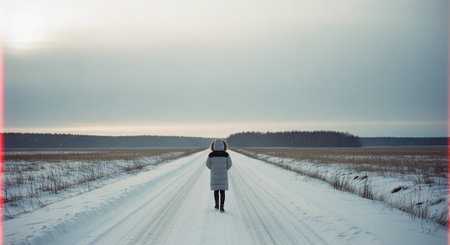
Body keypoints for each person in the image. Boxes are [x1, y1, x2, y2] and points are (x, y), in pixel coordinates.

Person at [206, 139, 232, 212]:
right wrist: (225, 169)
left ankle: (216, 204)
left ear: (213, 145)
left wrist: (213, 168)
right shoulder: (226, 154)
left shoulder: (211, 155)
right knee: (222, 191)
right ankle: (222, 206)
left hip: (214, 175)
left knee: (216, 190)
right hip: (223, 175)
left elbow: (207, 165)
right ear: (224, 145)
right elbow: (230, 164)